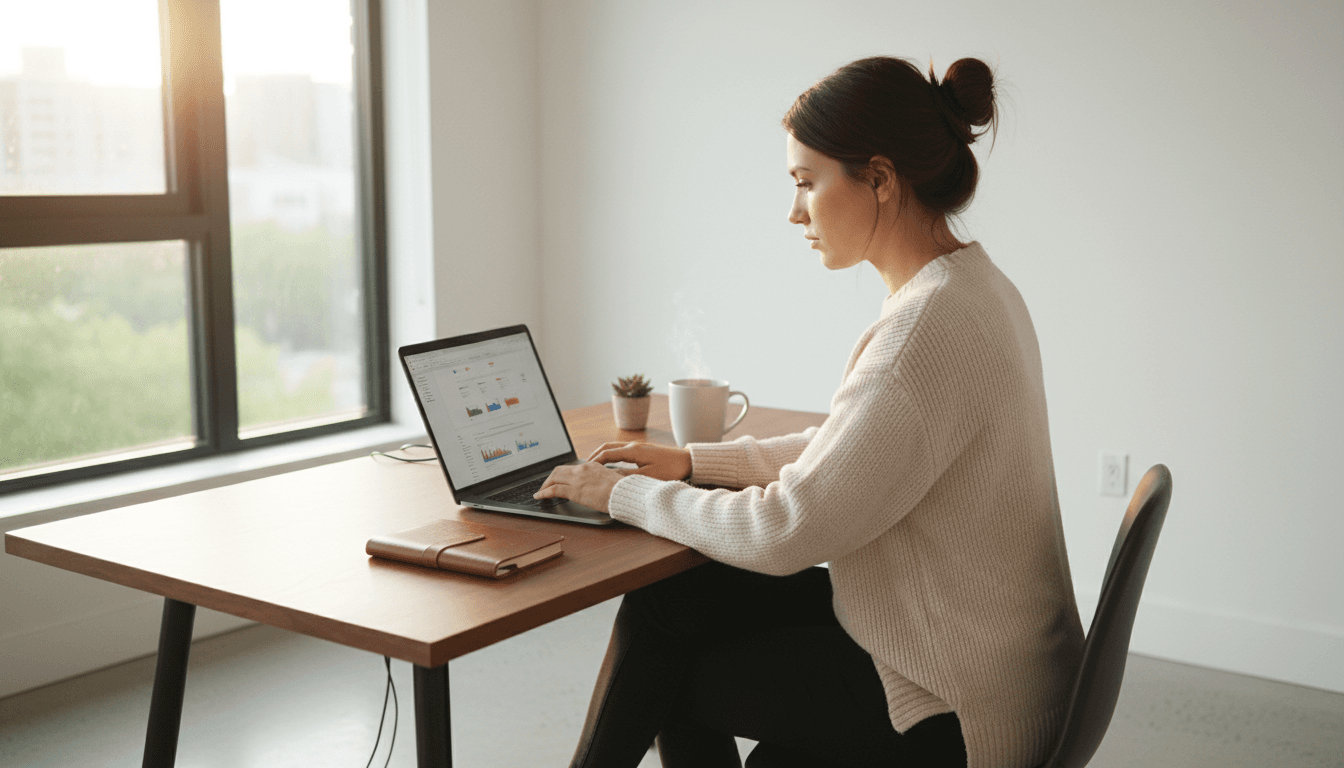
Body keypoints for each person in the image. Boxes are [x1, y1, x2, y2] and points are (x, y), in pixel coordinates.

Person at [536, 55, 1085, 768]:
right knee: (675, 602)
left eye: (806, 183)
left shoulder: (923, 329)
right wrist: (693, 462)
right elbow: (849, 448)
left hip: (954, 703)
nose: (794, 211)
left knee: (668, 662)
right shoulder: (971, 288)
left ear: (881, 180)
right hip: (988, 659)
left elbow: (783, 529)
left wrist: (626, 493)